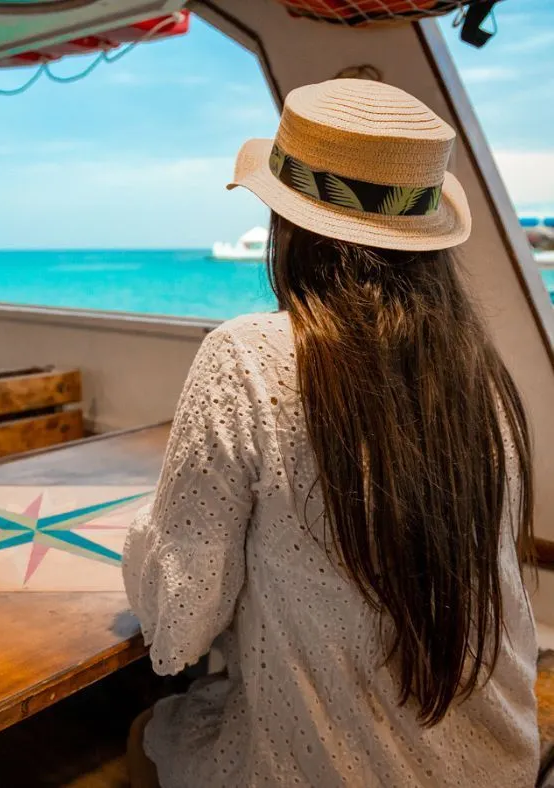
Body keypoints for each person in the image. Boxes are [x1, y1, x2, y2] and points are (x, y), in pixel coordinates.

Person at [122, 78, 538, 787]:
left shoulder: (245, 358)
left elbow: (176, 630)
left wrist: (142, 533)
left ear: (290, 229)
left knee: (140, 734)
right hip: (500, 763)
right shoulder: (478, 376)